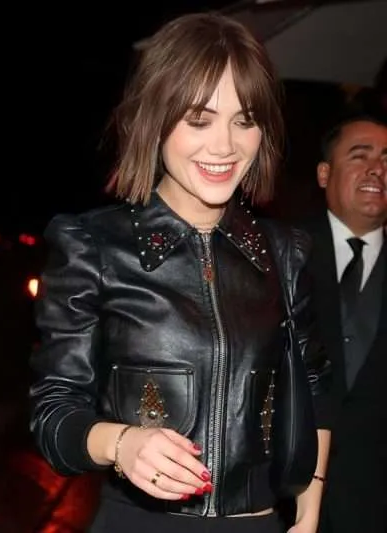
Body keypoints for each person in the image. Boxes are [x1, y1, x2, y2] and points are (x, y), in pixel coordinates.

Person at [29, 12, 332, 533]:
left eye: (244, 120)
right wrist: (121, 443)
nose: (225, 146)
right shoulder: (92, 246)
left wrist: (308, 517)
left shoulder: (285, 254)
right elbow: (53, 413)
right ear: (156, 119)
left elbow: (314, 387)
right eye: (199, 119)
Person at [298, 115, 387, 533]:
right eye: (360, 155)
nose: (377, 169)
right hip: (284, 500)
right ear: (324, 173)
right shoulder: (281, 254)